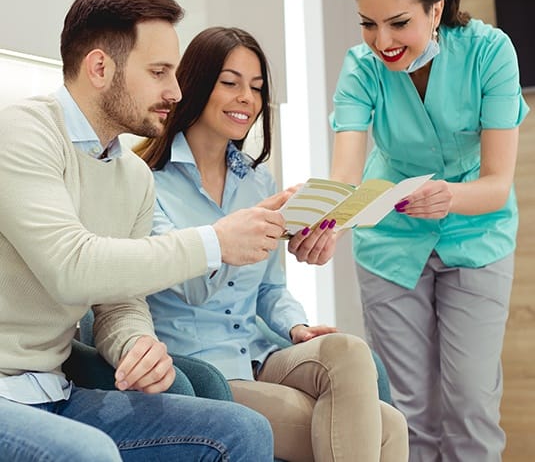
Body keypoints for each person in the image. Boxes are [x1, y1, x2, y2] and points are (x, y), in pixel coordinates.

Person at [0, 0, 281, 461]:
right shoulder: (22, 134)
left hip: (55, 392)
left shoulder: (132, 175)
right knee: (90, 455)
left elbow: (119, 302)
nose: (175, 91)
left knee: (243, 432)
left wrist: (136, 343)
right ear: (100, 68)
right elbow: (73, 267)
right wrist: (213, 242)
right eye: (158, 72)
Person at [136, 26, 409, 462]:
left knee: (349, 351)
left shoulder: (257, 179)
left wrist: (296, 328)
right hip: (203, 370)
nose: (246, 96)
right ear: (195, 84)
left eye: (257, 87)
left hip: (260, 356)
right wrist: (241, 230)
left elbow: (269, 289)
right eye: (230, 82)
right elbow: (189, 285)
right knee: (385, 427)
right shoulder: (146, 182)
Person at [329, 0, 530, 462]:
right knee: (406, 412)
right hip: (391, 242)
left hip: (476, 235)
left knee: (471, 406)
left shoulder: (490, 53)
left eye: (398, 23)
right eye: (368, 25)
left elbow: (496, 185)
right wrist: (322, 222)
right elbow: (346, 176)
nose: (382, 41)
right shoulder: (361, 67)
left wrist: (448, 197)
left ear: (435, 8)